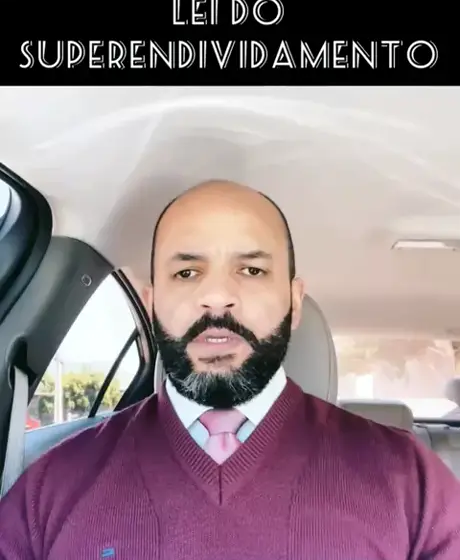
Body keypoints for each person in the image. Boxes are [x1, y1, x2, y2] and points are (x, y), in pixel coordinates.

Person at [0, 179, 459, 559]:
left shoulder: (412, 482)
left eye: (252, 271)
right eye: (187, 273)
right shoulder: (49, 487)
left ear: (295, 301)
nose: (217, 297)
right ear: (151, 303)